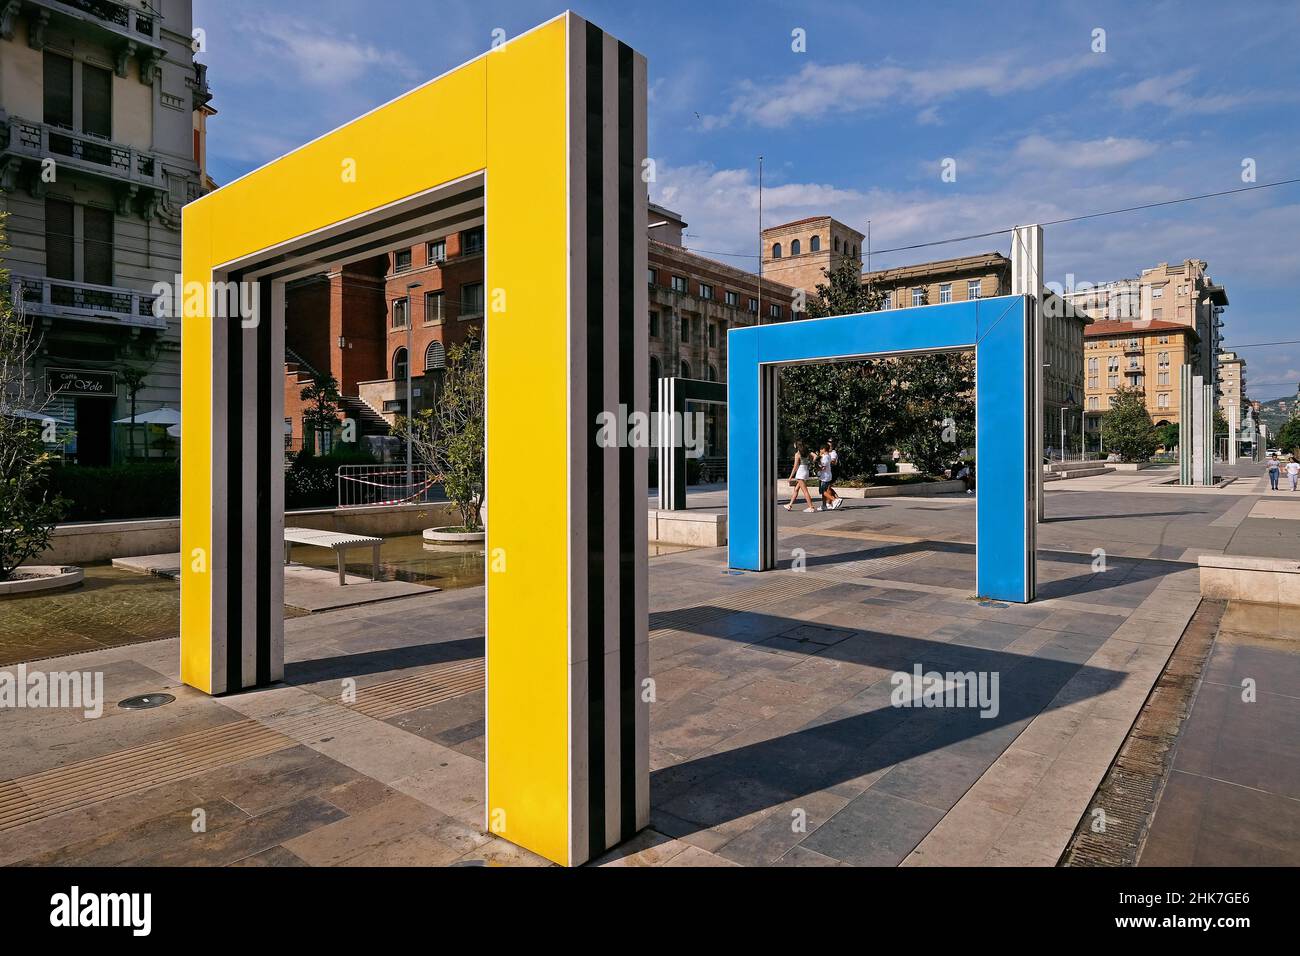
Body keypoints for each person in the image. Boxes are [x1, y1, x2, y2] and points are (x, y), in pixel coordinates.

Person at [784, 442, 817, 512]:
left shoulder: (797, 454)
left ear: (796, 446)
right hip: (806, 472)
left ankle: (811, 507)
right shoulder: (807, 452)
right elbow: (815, 456)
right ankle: (790, 505)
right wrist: (812, 462)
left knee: (805, 491)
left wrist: (790, 477)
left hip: (801, 472)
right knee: (796, 489)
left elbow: (795, 467)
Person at [818, 443, 841, 511]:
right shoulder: (827, 456)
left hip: (824, 476)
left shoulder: (825, 457)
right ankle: (824, 505)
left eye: (821, 449)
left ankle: (834, 500)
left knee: (823, 491)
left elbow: (823, 467)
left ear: (824, 449)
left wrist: (817, 466)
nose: (820, 451)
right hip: (826, 476)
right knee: (824, 490)